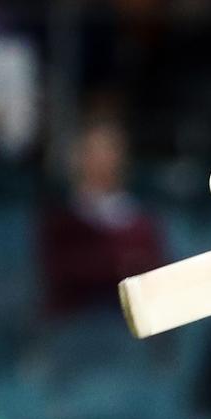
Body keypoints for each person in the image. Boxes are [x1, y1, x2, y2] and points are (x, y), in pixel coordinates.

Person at [37, 119, 165, 317]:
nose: (102, 160)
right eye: (92, 152)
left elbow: (152, 274)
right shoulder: (60, 221)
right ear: (78, 158)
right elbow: (62, 275)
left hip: (127, 325)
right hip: (73, 324)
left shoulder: (141, 221)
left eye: (109, 151)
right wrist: (119, 265)